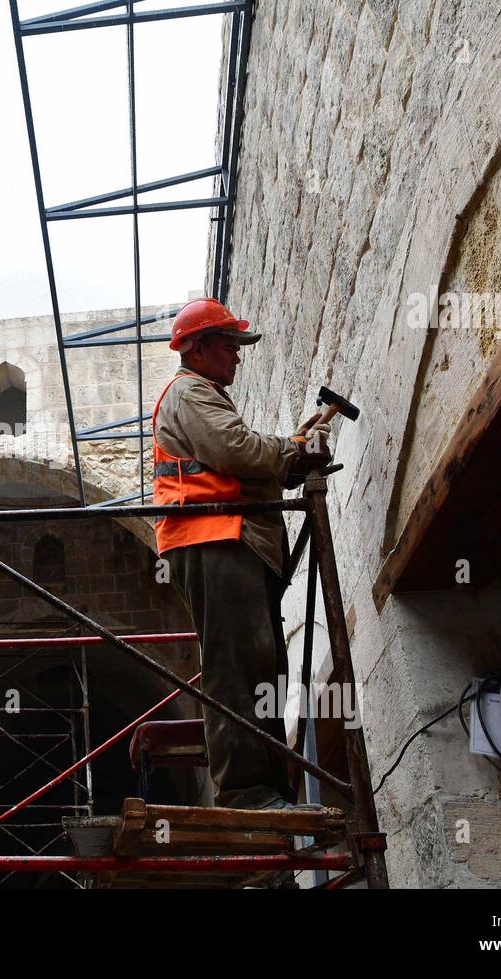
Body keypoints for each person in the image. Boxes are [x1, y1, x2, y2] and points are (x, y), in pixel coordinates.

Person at [152, 298, 329, 811]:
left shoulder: (204, 394)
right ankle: (247, 795)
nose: (237, 357)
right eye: (229, 346)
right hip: (211, 540)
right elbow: (239, 452)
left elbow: (242, 464)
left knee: (260, 665)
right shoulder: (189, 393)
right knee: (237, 671)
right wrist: (293, 451)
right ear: (198, 348)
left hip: (233, 541)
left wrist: (290, 456)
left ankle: (269, 791)